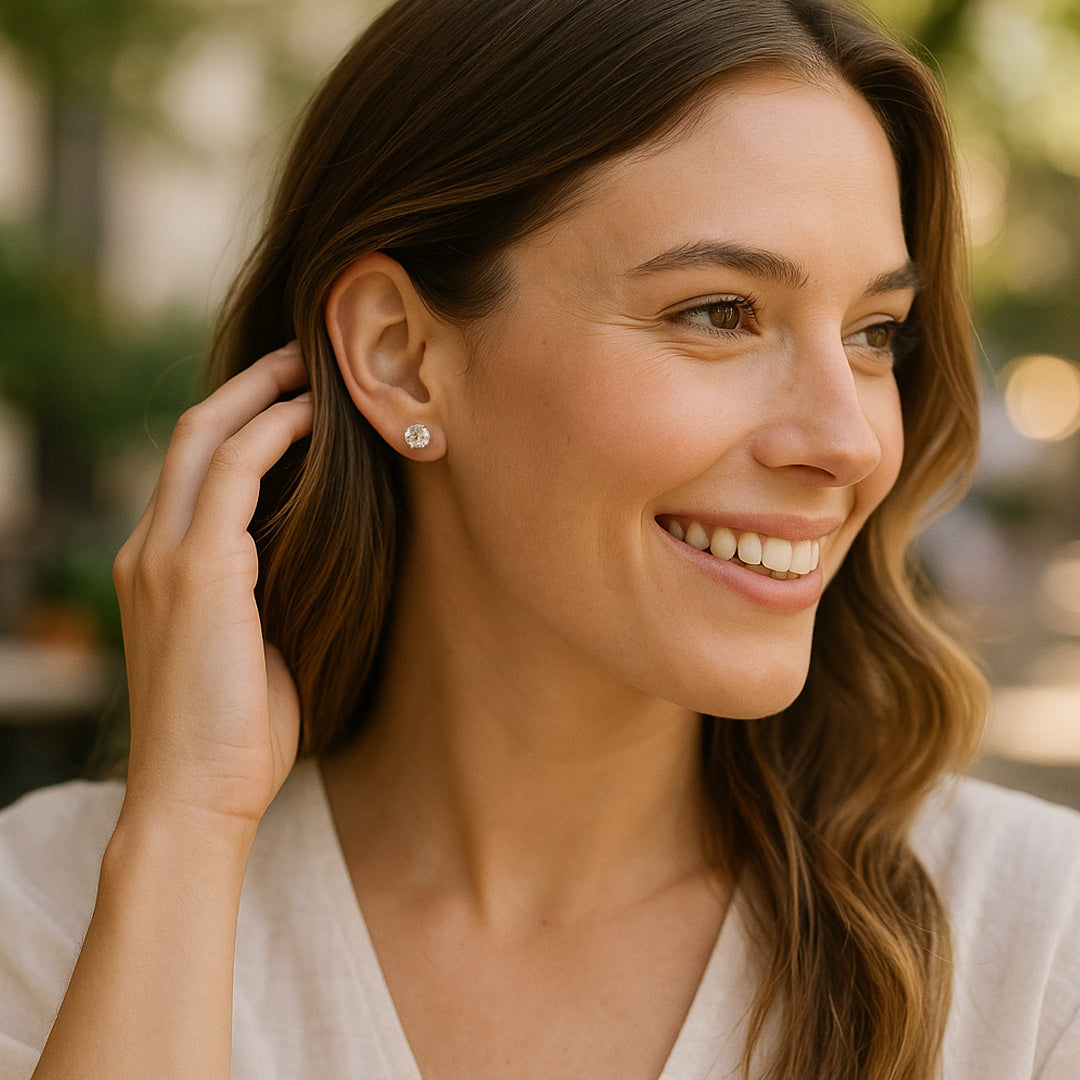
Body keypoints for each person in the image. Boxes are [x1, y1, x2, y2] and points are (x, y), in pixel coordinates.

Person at [2, 0, 1079, 1077]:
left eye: (875, 334)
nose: (847, 441)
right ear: (400, 355)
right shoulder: (51, 916)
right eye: (719, 313)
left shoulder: (1035, 952)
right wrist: (189, 829)